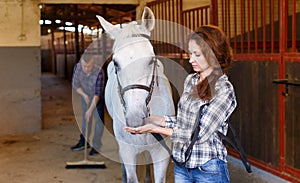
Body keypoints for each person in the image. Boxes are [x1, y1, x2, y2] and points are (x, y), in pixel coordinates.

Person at [125, 25, 237, 182]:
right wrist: (156, 119)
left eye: (197, 54)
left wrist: (156, 129)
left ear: (213, 54)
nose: (190, 59)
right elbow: (186, 122)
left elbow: (198, 134)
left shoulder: (223, 89)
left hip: (208, 168)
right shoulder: (191, 81)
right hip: (182, 165)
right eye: (190, 53)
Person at [71, 53, 105, 156]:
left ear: (93, 63)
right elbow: (75, 84)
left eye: (88, 66)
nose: (86, 68)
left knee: (99, 122)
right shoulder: (77, 68)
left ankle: (96, 146)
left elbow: (97, 94)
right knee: (86, 120)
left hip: (96, 98)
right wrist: (84, 95)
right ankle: (83, 142)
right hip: (85, 95)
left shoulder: (99, 72)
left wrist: (90, 110)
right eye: (84, 66)